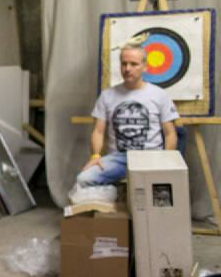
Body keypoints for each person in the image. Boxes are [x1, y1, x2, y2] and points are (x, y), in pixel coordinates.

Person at [74, 44, 178, 189]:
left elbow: (170, 133)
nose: (127, 69)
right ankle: (111, 205)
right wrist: (96, 156)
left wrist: (166, 160)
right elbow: (98, 131)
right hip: (118, 159)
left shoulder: (159, 95)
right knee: (84, 179)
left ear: (145, 67)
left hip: (151, 157)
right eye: (124, 63)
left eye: (134, 64)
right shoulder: (107, 96)